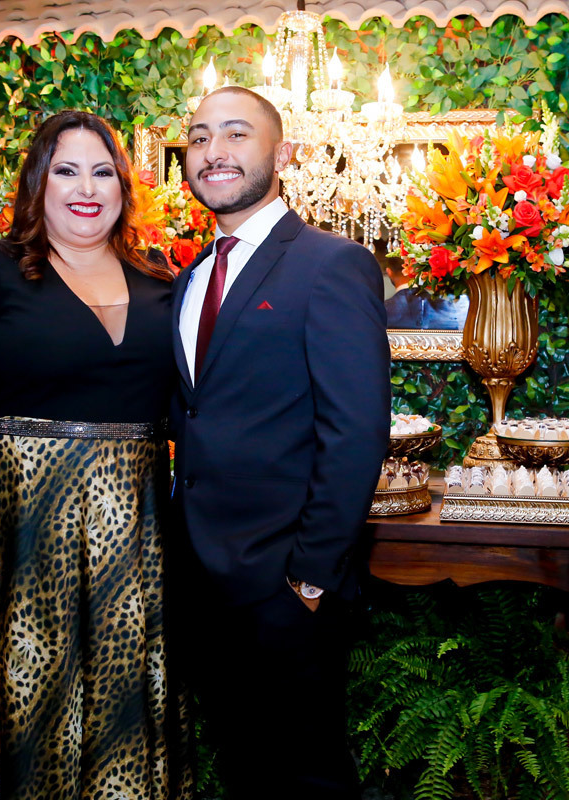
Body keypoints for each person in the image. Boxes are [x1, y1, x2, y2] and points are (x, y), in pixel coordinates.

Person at [0, 110, 188, 800]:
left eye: (102, 172)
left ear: (122, 188)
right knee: (12, 713)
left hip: (135, 547)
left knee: (123, 716)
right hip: (17, 539)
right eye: (66, 171)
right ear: (38, 183)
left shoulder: (162, 284)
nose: (86, 188)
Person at [169, 86, 390, 799]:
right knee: (243, 767)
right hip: (203, 579)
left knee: (309, 774)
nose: (214, 151)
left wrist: (309, 578)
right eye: (200, 137)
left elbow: (355, 431)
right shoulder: (190, 278)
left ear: (284, 153)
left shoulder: (331, 263)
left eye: (237, 134)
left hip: (287, 583)